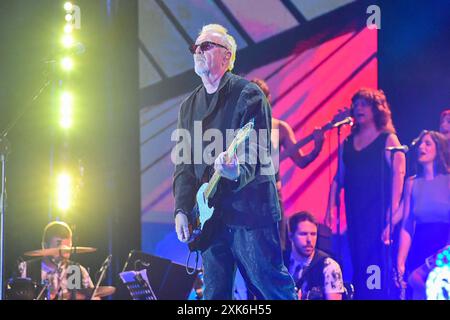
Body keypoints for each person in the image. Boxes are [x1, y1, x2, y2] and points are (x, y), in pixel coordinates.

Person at [173, 24, 296, 300]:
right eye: (196, 47)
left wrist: (236, 170)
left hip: (250, 212)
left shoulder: (248, 94)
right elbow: (184, 165)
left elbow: (256, 147)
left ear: (227, 56)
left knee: (271, 288)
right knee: (214, 295)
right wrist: (181, 209)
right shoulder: (188, 107)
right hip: (210, 220)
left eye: (206, 46)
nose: (198, 51)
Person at [325, 88, 406, 299]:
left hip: (378, 213)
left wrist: (393, 209)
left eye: (364, 104)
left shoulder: (388, 139)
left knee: (375, 261)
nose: (358, 108)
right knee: (358, 259)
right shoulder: (348, 143)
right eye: (356, 104)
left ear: (376, 109)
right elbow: (339, 177)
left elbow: (399, 172)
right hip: (355, 213)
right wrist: (330, 207)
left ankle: (375, 295)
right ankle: (363, 294)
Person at [251, 78, 324, 250]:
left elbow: (302, 161)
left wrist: (317, 147)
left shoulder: (279, 128)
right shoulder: (237, 130)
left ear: (268, 100)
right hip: (247, 200)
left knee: (278, 248)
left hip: (272, 197)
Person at [396, 131, 450, 300]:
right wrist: (400, 260)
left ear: (438, 149)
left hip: (444, 248)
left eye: (427, 143)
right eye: (420, 143)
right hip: (419, 248)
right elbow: (407, 224)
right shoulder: (412, 183)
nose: (421, 147)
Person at [18, 221, 94, 300]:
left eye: (68, 247)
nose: (64, 252)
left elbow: (95, 296)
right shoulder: (26, 269)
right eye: (58, 247)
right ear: (45, 246)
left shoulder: (78, 270)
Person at [286, 211, 344, 300]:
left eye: (313, 234)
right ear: (291, 236)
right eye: (303, 234)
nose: (309, 240)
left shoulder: (329, 266)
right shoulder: (279, 263)